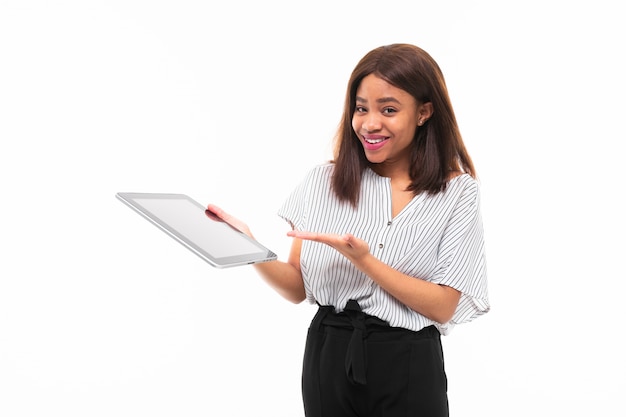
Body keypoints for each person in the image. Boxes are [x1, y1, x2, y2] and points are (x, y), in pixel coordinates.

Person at [207, 43, 489, 417]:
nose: (370, 123)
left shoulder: (457, 192)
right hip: (329, 352)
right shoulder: (323, 182)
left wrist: (366, 261)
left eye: (389, 109)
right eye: (361, 108)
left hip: (408, 359)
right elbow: (297, 287)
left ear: (424, 112)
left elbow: (443, 305)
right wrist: (249, 247)